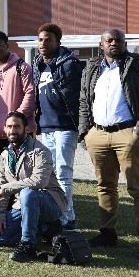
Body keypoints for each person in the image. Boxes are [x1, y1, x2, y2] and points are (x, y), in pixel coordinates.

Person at [80, 28, 139, 259]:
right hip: (98, 134)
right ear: (101, 44)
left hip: (128, 134)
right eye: (108, 40)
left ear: (125, 43)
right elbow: (83, 100)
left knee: (138, 189)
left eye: (118, 40)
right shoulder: (91, 68)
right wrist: (85, 133)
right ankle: (108, 233)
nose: (113, 43)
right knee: (105, 186)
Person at [0, 111, 66, 262]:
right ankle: (43, 229)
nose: (12, 130)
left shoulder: (40, 150)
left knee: (28, 193)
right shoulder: (5, 155)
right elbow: (1, 184)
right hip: (23, 205)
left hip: (50, 201)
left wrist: (6, 189)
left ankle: (27, 245)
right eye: (9, 127)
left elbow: (39, 182)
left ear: (26, 128)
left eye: (17, 126)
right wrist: (0, 216)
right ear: (4, 129)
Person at [33, 23, 84, 230]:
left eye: (48, 40)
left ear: (57, 42)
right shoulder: (38, 64)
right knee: (50, 175)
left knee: (63, 173)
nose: (43, 43)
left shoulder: (68, 63)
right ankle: (56, 215)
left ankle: (68, 218)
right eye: (41, 40)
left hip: (64, 127)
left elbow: (75, 98)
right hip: (46, 128)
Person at [0, 30, 36, 166]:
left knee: (24, 170)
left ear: (7, 45)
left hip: (21, 132)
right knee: (2, 170)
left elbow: (30, 93)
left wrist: (16, 120)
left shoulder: (22, 67)